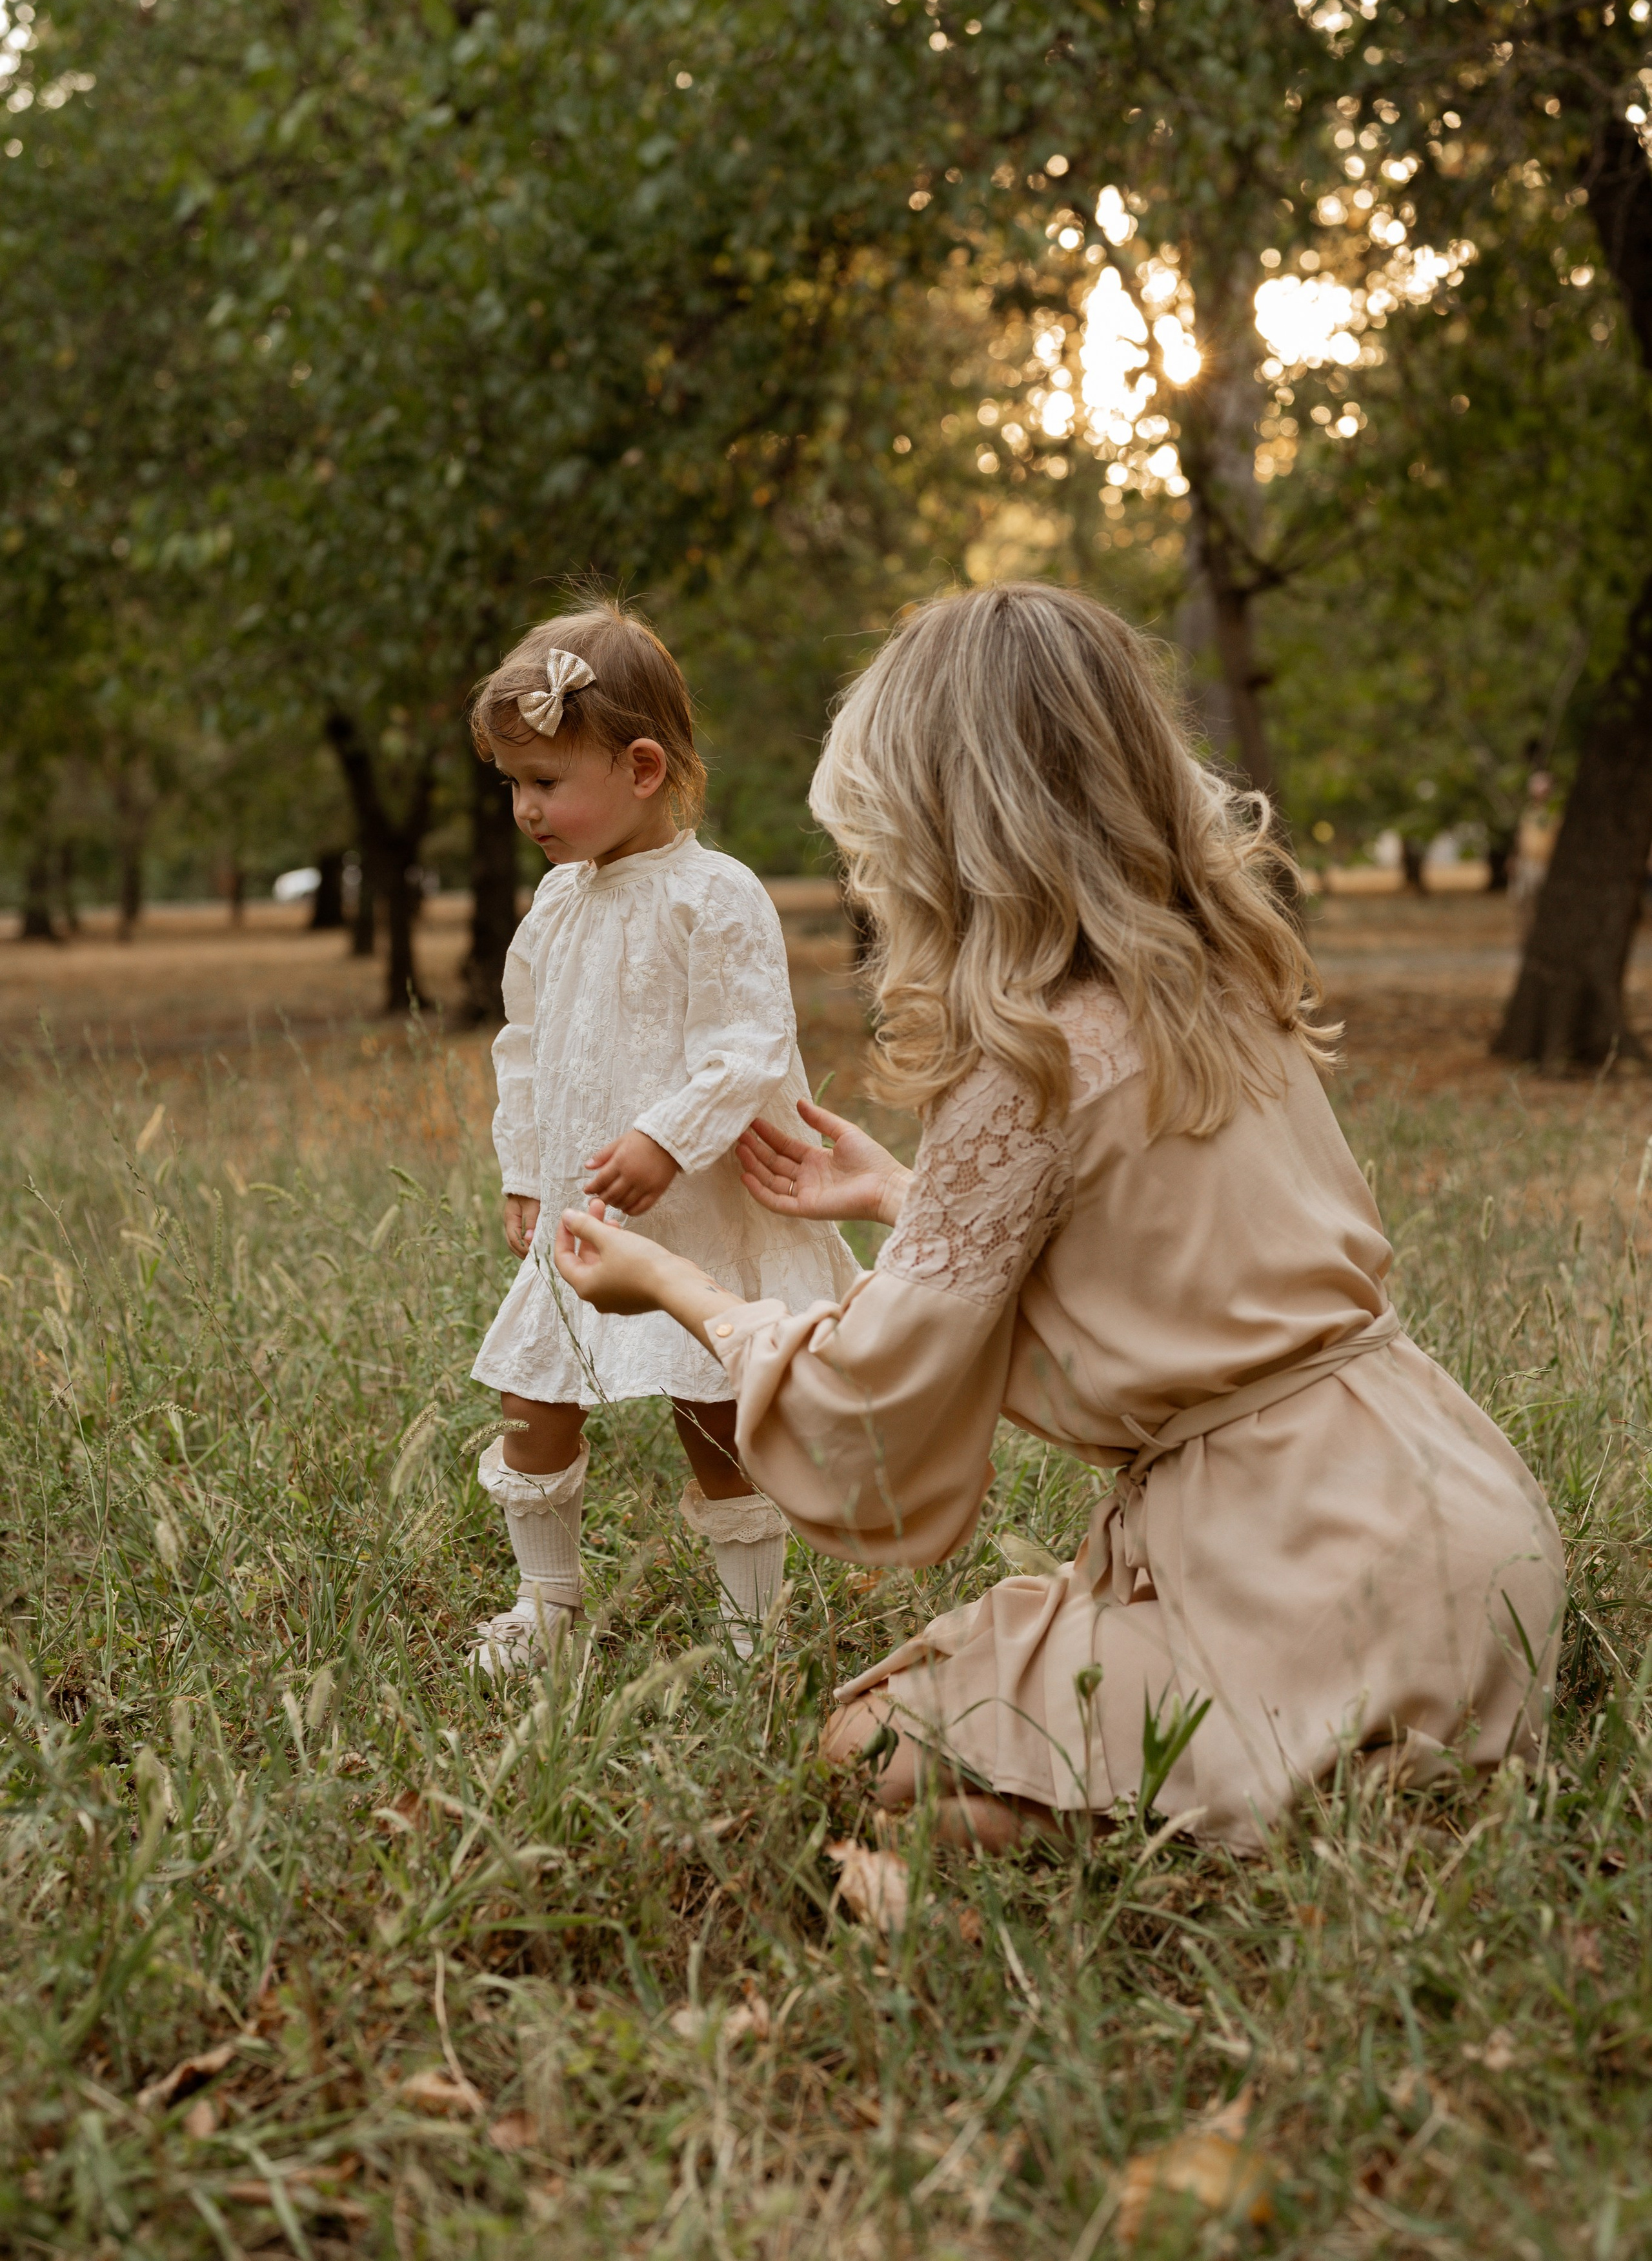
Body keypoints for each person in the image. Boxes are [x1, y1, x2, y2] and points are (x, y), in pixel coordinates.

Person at [552, 582, 1566, 1849]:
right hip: (1463, 1527)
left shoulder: (1025, 1056)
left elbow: (865, 1400)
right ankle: (1349, 1766)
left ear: (939, 822)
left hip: (1295, 1557)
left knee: (868, 1744)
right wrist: (893, 1195)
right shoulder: (1213, 977)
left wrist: (675, 1287)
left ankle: (1289, 1797)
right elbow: (1174, 1265)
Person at [465, 603, 858, 1676]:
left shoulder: (714, 896)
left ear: (641, 766)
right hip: (586, 1212)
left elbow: (748, 1046)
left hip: (691, 1209)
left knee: (713, 1410)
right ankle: (545, 1606)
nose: (523, 809)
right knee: (532, 1398)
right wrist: (523, 1171)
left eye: (545, 782)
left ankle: (750, 1623)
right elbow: (529, 1045)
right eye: (512, 784)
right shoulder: (552, 905)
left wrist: (664, 1138)